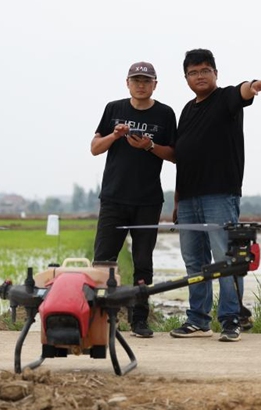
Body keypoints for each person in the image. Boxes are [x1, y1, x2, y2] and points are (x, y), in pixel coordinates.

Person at [169, 48, 261, 342]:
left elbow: (243, 91)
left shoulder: (225, 98)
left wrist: (255, 85)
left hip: (220, 196)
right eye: (193, 72)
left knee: (226, 259)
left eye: (205, 70)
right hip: (188, 199)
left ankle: (231, 319)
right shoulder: (187, 110)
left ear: (215, 73)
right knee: (194, 261)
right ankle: (198, 320)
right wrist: (177, 200)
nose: (199, 76)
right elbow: (183, 157)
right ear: (186, 78)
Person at [90, 61, 177, 338]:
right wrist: (114, 136)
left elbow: (174, 154)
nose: (141, 85)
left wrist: (149, 145)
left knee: (143, 262)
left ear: (155, 85)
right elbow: (95, 148)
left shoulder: (165, 113)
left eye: (146, 80)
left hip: (148, 200)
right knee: (104, 260)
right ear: (127, 83)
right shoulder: (113, 109)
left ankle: (139, 319)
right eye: (136, 80)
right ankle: (102, 318)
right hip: (113, 198)